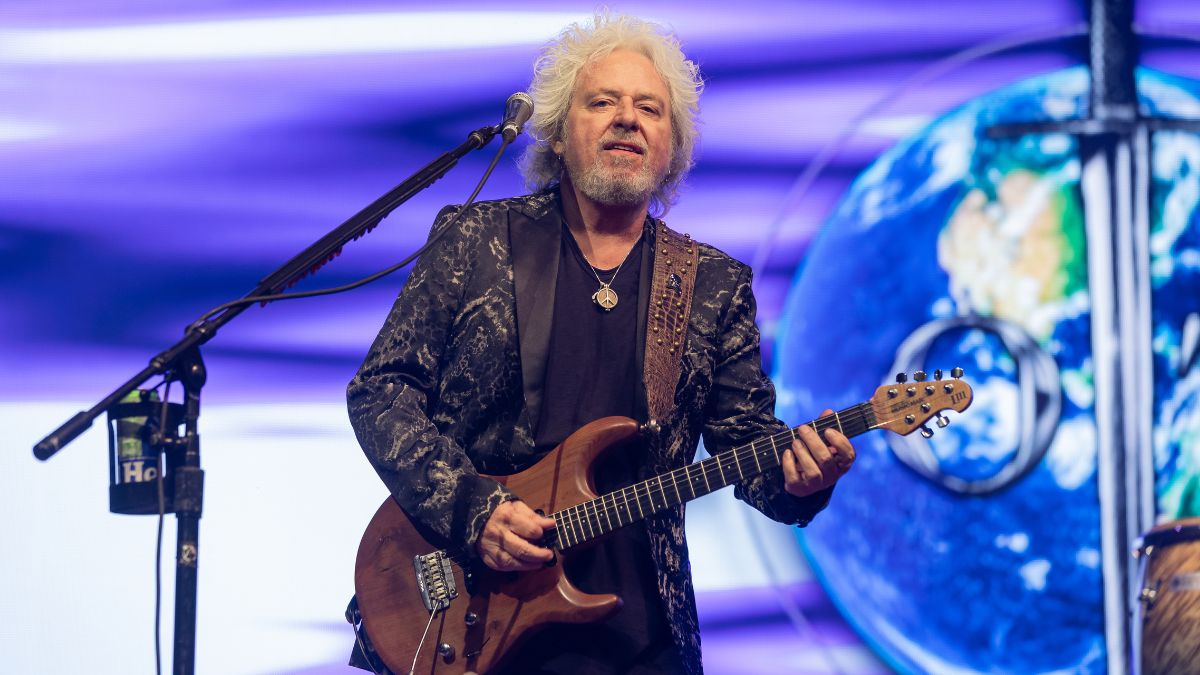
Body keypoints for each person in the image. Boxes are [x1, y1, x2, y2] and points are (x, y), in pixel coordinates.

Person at [346, 13, 855, 675]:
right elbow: (381, 391)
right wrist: (476, 511)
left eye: (650, 108)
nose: (628, 118)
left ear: (670, 147)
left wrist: (802, 478)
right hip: (468, 613)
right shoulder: (475, 241)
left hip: (637, 639)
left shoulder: (711, 285)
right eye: (602, 102)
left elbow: (746, 447)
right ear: (558, 133)